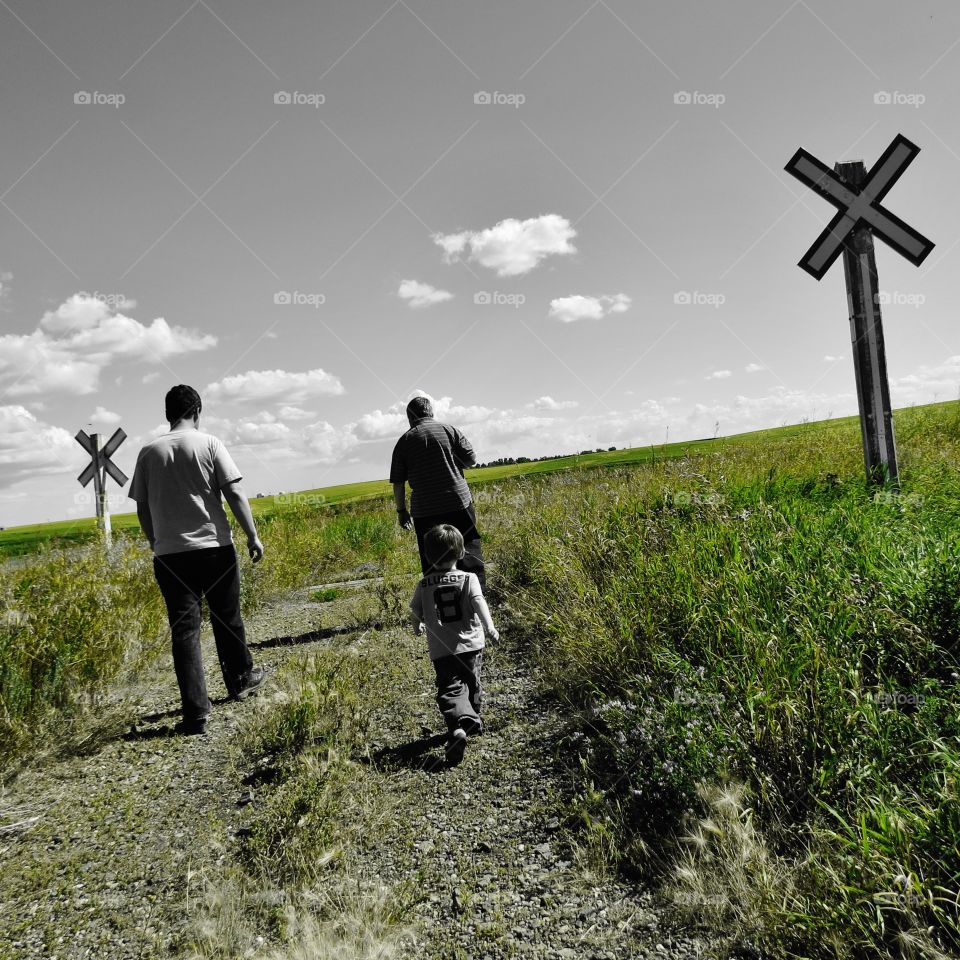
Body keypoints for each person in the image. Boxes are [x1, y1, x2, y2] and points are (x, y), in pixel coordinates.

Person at [130, 385, 267, 735]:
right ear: (198, 410)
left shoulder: (147, 453)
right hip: (214, 548)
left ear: (167, 413)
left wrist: (156, 542)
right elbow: (234, 491)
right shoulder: (209, 444)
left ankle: (195, 711)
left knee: (184, 631)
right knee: (227, 617)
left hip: (170, 556)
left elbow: (142, 508)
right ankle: (240, 680)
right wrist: (252, 535)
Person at [410, 524, 499, 764]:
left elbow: (415, 610)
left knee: (450, 688)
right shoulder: (469, 578)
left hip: (442, 649)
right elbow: (479, 603)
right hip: (471, 643)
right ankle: (472, 718)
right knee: (472, 682)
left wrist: (416, 624)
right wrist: (489, 626)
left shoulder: (424, 583)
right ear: (461, 553)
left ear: (427, 556)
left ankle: (459, 726)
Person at [390, 396, 486, 587]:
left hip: (425, 510)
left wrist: (402, 512)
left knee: (433, 557)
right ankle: (477, 596)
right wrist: (449, 464)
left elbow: (398, 483)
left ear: (409, 417)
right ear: (431, 412)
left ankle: (439, 603)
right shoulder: (450, 430)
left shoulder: (404, 441)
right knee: (468, 548)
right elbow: (471, 459)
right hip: (458, 502)